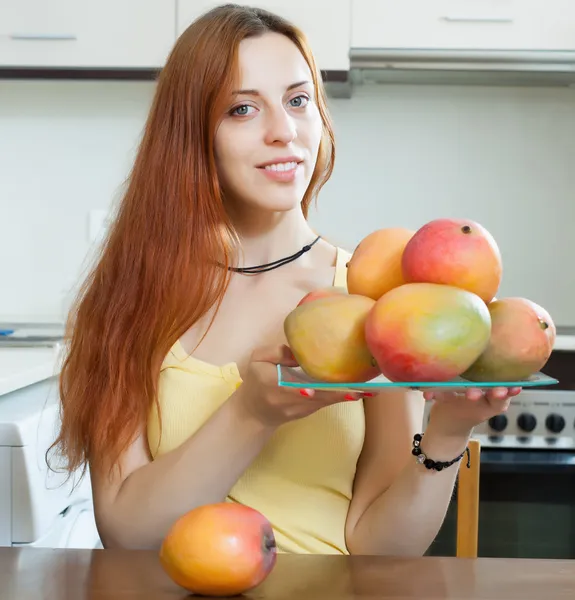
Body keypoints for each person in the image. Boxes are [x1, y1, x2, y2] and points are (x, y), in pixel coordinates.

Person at [49, 3, 521, 555]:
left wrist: (448, 430)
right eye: (242, 109)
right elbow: (129, 535)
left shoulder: (373, 296)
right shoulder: (126, 299)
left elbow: (381, 551)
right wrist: (251, 414)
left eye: (298, 101)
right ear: (191, 134)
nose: (284, 131)